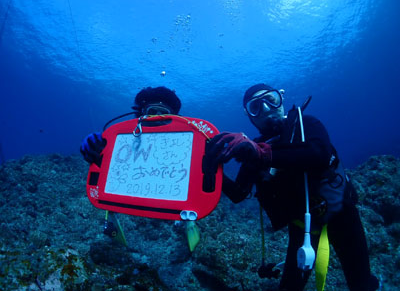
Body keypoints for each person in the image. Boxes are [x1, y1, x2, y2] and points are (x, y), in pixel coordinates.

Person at [204, 83, 379, 291]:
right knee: (289, 287)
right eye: (256, 106)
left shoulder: (306, 125)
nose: (266, 108)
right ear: (249, 116)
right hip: (302, 225)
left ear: (281, 100)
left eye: (271, 99)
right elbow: (238, 194)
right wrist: (212, 168)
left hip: (341, 213)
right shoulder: (252, 150)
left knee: (361, 284)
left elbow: (320, 154)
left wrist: (261, 154)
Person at [80, 86, 185, 246]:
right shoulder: (124, 139)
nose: (157, 118)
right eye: (152, 111)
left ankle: (185, 223)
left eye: (164, 114)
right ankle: (112, 213)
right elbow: (104, 166)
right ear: (141, 113)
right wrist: (93, 146)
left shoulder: (183, 144)